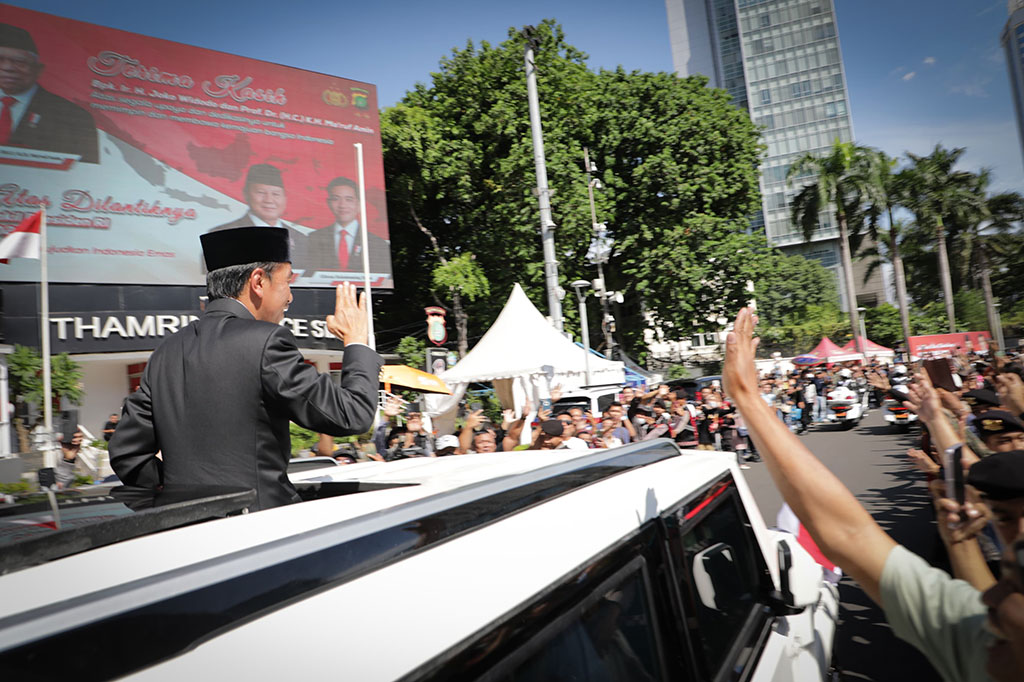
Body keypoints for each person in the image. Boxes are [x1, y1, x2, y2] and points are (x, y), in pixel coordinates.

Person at [722, 306, 1024, 682]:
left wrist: (747, 397)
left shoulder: (988, 646)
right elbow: (848, 534)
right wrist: (746, 397)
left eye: (1014, 592)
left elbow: (851, 535)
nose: (990, 599)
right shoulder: (987, 639)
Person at [109, 227, 381, 511]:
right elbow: (351, 414)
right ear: (258, 282)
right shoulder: (265, 342)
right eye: (287, 283)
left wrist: (181, 493)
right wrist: (356, 342)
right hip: (260, 533)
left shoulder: (166, 352)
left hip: (184, 537)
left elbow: (127, 455)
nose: (290, 297)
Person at [0, 24, 98, 163]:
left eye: (19, 62)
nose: (7, 68)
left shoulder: (74, 117)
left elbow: (88, 173)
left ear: (38, 70)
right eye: (0, 60)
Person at [208, 164, 306, 265]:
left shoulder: (300, 239)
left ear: (285, 198)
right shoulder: (221, 235)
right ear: (246, 194)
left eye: (276, 194)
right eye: (261, 192)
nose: (269, 200)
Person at [304, 176, 391, 275]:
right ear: (328, 203)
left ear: (358, 204)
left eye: (349, 199)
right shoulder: (314, 238)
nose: (342, 205)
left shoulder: (377, 243)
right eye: (336, 199)